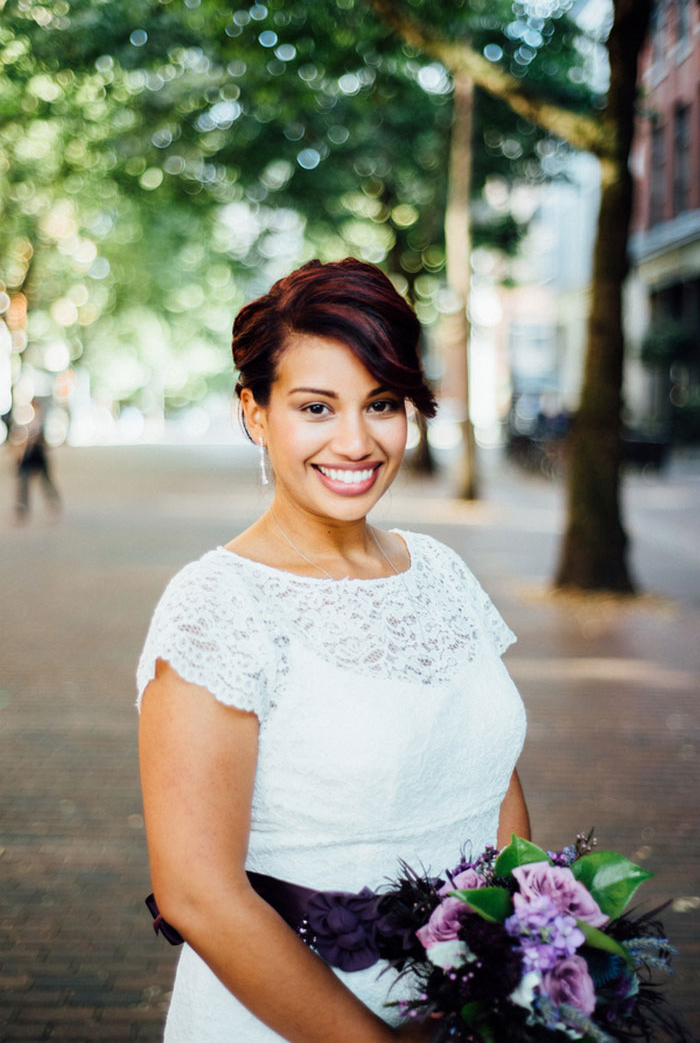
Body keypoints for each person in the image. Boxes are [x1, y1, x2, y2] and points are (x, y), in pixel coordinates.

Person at [137, 258, 529, 1043]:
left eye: (380, 404)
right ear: (254, 411)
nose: (356, 440)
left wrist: (514, 971)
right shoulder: (218, 603)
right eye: (317, 406)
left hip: (471, 1008)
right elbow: (196, 892)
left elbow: (496, 792)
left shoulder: (441, 571)